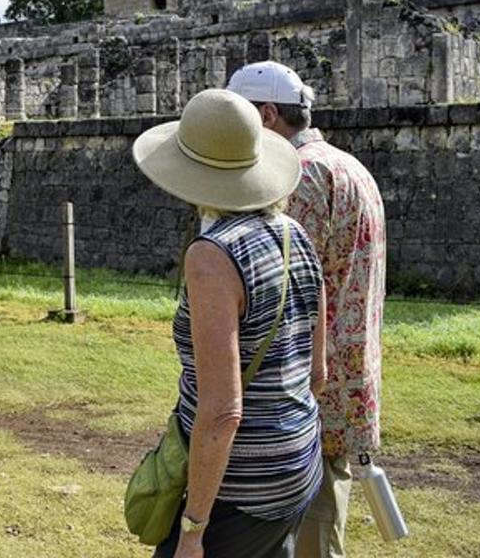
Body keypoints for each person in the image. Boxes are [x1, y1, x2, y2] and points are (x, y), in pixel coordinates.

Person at [133, 88, 327, 558]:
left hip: (240, 487)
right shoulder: (294, 235)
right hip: (299, 462)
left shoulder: (211, 256)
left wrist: (194, 528)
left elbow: (222, 411)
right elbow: (317, 372)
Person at [227, 61, 387, 558]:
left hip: (307, 391)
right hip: (349, 382)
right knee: (323, 525)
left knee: (310, 537)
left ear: (269, 115)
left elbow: (275, 288)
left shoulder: (302, 175)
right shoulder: (346, 164)